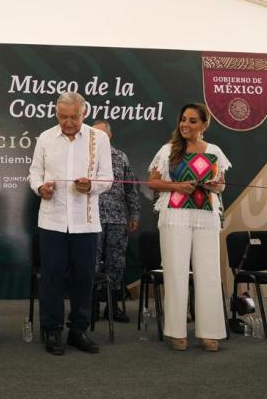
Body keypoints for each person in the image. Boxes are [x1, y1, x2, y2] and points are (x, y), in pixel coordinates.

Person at [29, 92, 113, 356]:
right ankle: (52, 331)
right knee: (51, 278)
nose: (67, 122)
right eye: (62, 117)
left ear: (84, 113)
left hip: (85, 223)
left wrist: (91, 186)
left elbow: (107, 178)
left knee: (84, 278)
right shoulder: (45, 138)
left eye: (73, 117)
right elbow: (34, 172)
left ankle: (78, 330)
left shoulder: (98, 138)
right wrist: (40, 187)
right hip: (51, 220)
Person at [146, 103, 228, 352]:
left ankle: (210, 332)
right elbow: (153, 182)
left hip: (206, 217)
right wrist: (177, 187)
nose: (186, 125)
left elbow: (221, 185)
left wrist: (215, 186)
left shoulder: (214, 151)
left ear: (204, 125)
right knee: (175, 273)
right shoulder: (168, 150)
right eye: (183, 119)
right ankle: (176, 331)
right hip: (175, 217)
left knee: (209, 274)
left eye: (193, 121)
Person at [92, 120, 140, 323]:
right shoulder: (84, 158)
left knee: (116, 263)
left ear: (109, 136)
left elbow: (131, 189)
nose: (97, 139)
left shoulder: (121, 157)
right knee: (90, 264)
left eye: (102, 134)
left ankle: (112, 307)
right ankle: (90, 306)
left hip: (118, 219)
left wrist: (135, 214)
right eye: (93, 135)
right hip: (91, 218)